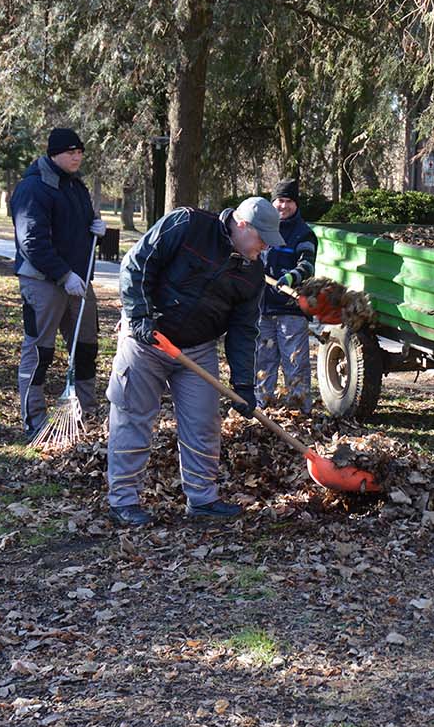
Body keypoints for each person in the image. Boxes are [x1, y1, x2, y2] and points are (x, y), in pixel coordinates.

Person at [104, 197, 284, 527]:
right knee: (132, 418)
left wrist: (244, 384)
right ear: (242, 225)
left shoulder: (252, 272)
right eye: (261, 240)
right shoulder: (188, 224)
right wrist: (140, 315)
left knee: (203, 424)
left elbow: (243, 330)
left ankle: (202, 499)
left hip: (196, 350)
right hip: (147, 340)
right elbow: (136, 264)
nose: (264, 249)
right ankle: (124, 500)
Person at [10, 127, 105, 438]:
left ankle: (85, 414)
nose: (77, 156)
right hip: (44, 282)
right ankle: (33, 419)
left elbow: (78, 232)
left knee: (86, 347)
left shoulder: (76, 187)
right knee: (40, 351)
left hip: (79, 283)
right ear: (54, 154)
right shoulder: (33, 188)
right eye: (70, 152)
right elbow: (32, 242)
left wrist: (96, 230)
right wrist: (64, 275)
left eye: (80, 151)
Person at [256, 179, 319, 410]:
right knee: (263, 362)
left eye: (288, 201)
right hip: (263, 309)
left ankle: (299, 411)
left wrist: (290, 278)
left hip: (291, 311)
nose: (283, 206)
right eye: (279, 201)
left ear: (296, 204)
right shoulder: (263, 229)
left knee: (296, 363)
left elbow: (307, 266)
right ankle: (262, 407)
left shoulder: (304, 234)